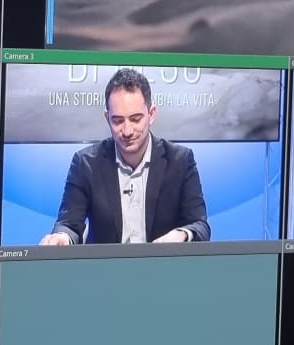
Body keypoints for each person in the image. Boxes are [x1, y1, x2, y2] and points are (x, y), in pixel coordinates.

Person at [41, 67, 210, 245]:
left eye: (136, 119)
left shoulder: (180, 161)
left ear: (151, 114)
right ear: (107, 118)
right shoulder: (86, 164)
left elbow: (200, 225)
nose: (127, 131)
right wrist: (62, 237)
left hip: (162, 262)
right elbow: (69, 224)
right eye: (118, 121)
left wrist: (182, 235)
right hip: (106, 263)